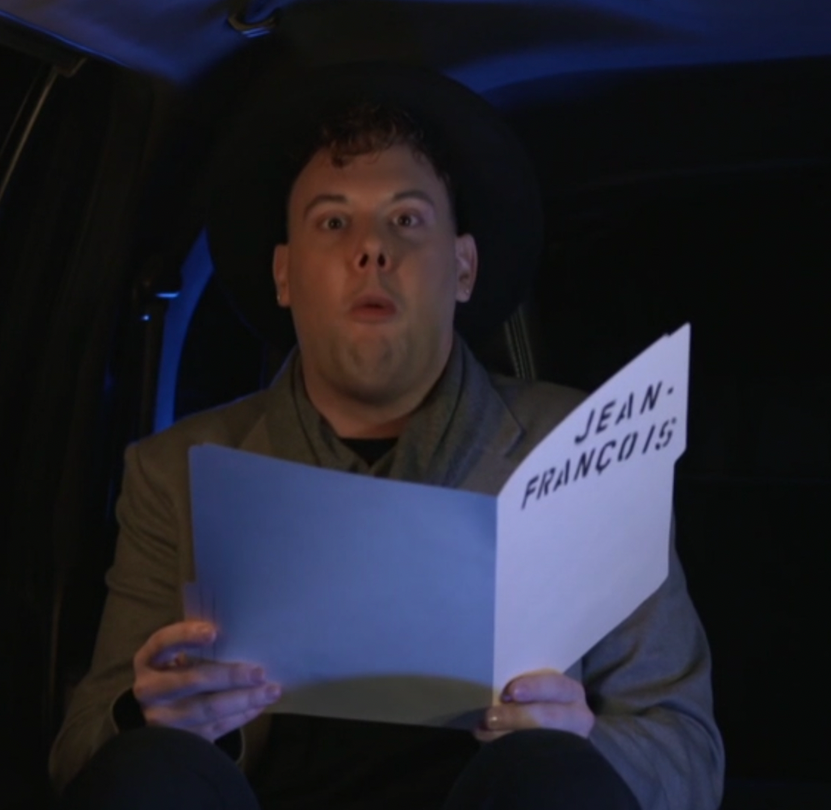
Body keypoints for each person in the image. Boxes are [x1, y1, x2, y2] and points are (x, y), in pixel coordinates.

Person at [49, 62, 724, 810]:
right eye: (333, 222)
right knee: (148, 771)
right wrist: (153, 718)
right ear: (284, 275)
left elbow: (689, 756)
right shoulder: (175, 470)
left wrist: (579, 743)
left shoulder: (589, 451)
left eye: (406, 220)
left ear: (462, 267)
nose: (371, 250)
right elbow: (78, 754)